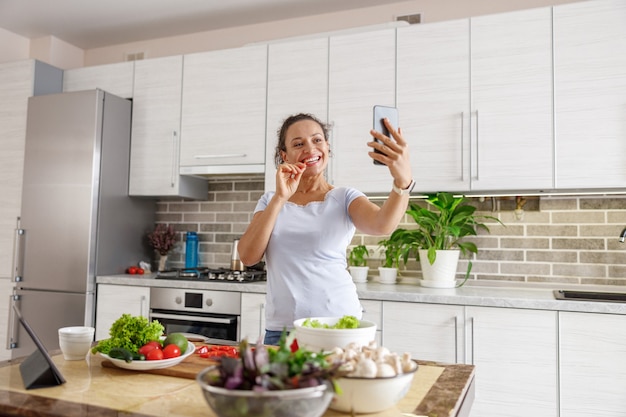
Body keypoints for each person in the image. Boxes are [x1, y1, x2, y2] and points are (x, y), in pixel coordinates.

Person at [237, 113, 413, 345]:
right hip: (283, 331)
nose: (310, 148)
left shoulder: (344, 197)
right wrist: (281, 197)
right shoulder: (270, 201)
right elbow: (248, 256)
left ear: (327, 147)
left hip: (339, 325)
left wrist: (403, 182)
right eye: (298, 144)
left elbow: (382, 225)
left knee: (339, 383)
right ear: (284, 155)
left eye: (317, 140)